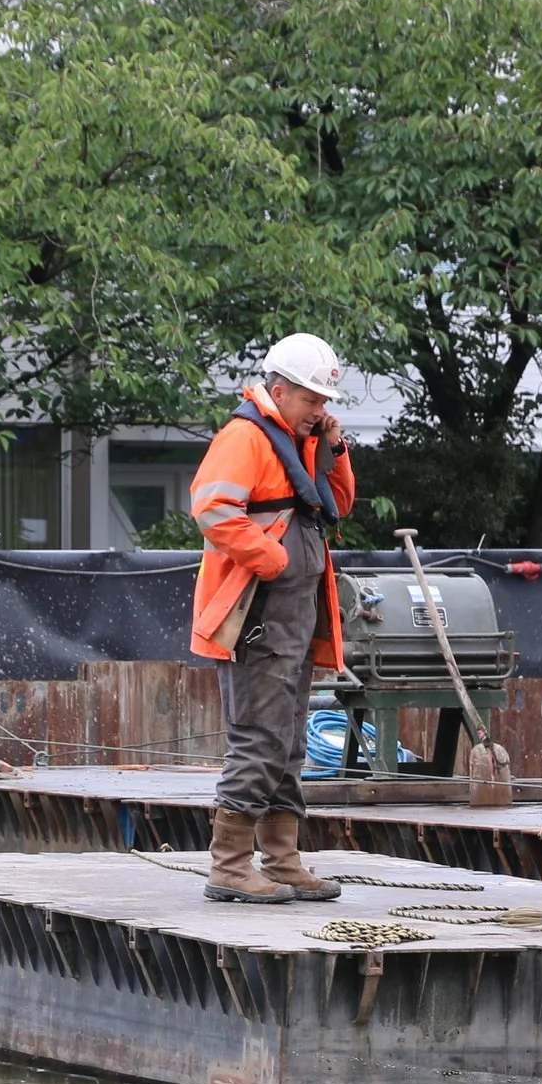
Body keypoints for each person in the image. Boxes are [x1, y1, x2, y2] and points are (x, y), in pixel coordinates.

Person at [187, 334, 357, 904]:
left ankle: (282, 860)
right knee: (259, 740)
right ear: (278, 390)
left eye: (323, 400)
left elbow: (339, 504)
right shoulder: (245, 437)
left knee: (286, 744)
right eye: (312, 399)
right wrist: (273, 558)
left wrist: (336, 449)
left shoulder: (299, 438)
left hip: (292, 618)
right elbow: (211, 509)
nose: (321, 409)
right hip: (257, 614)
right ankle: (230, 866)